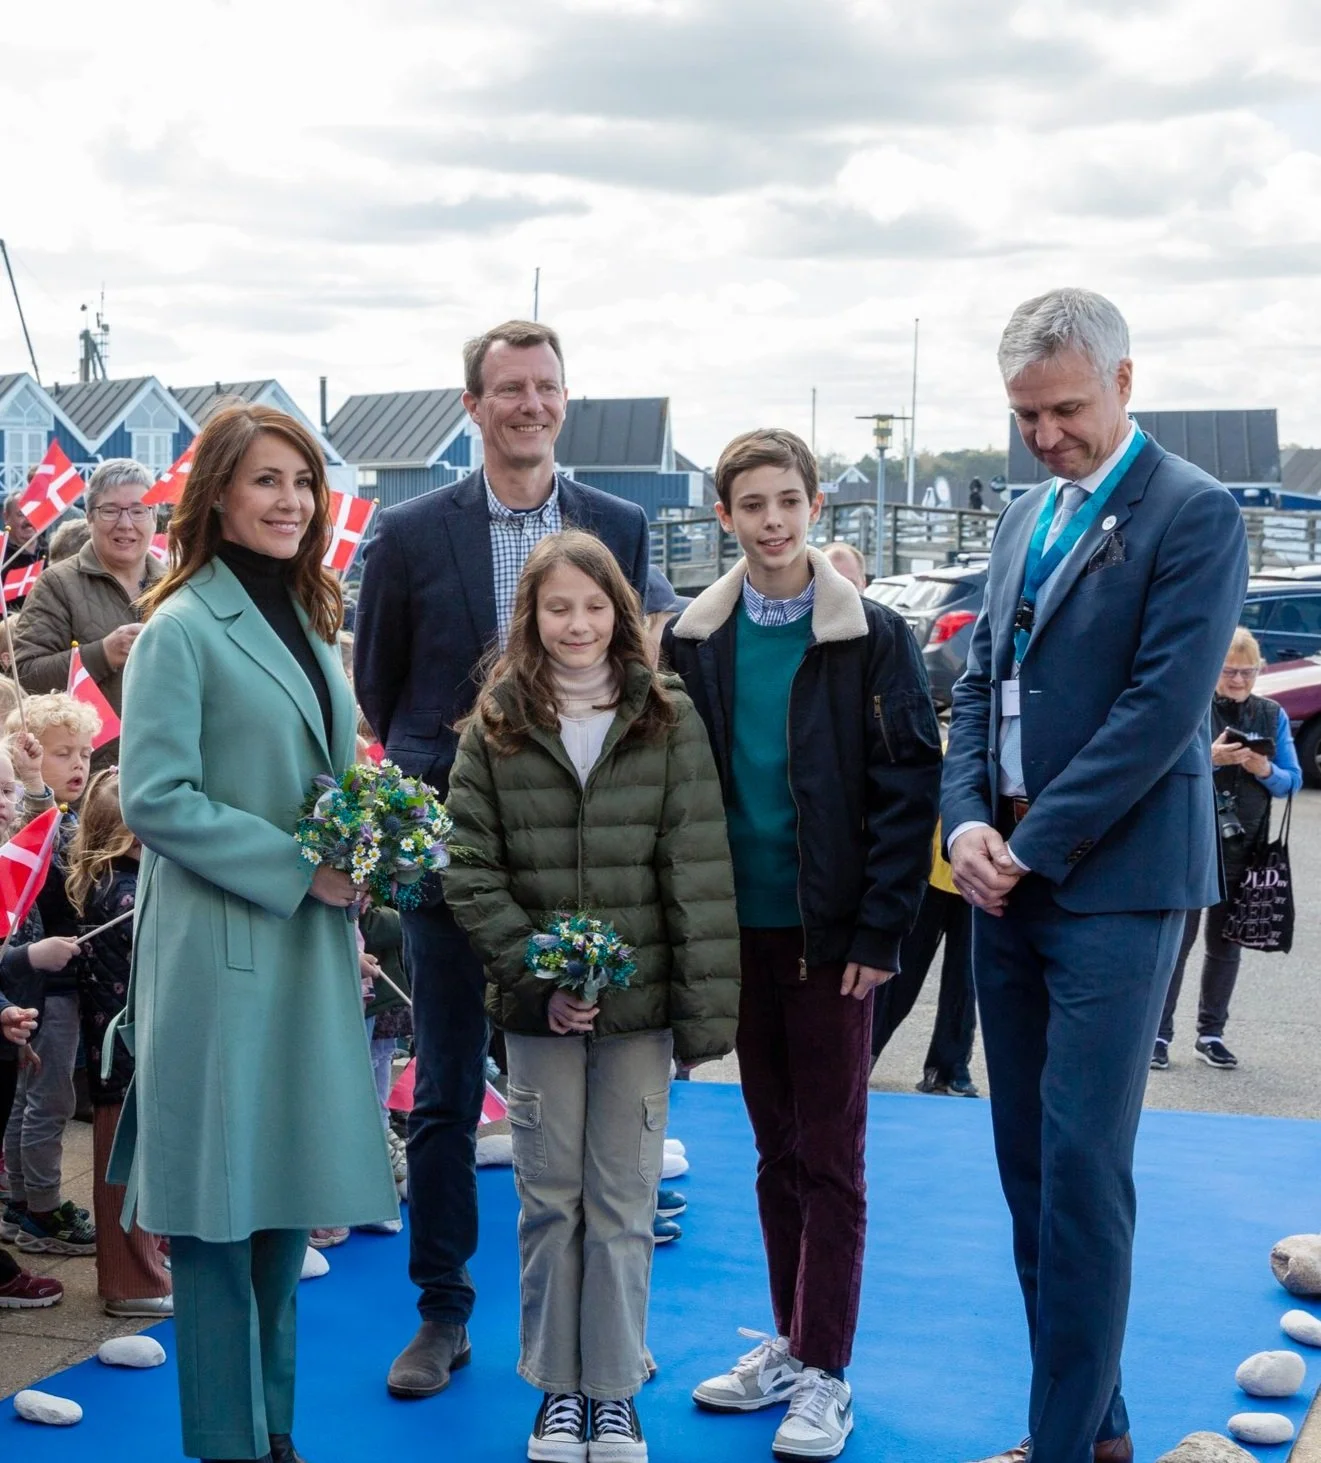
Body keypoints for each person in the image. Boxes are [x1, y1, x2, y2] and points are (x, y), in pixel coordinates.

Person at [941, 288, 1248, 1463]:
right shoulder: (1024, 513)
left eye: (1064, 408)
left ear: (1126, 382)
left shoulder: (1195, 512)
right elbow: (976, 684)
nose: (1044, 433)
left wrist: (1029, 840)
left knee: (1081, 1165)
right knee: (1026, 1164)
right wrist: (965, 820)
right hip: (999, 877)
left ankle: (1058, 1444)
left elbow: (1157, 712)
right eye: (1024, 413)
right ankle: (1096, 1427)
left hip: (1113, 884)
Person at [354, 319, 650, 1400]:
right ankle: (444, 1309)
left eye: (546, 387)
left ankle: (578, 1324)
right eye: (508, 388)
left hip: (576, 864)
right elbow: (380, 690)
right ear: (471, 405)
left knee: (569, 1095)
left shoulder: (616, 523)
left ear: (565, 399)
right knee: (440, 1095)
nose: (530, 404)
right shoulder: (409, 530)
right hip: (450, 863)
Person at [112, 402, 397, 1463]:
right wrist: (302, 868)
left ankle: (277, 1434)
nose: (291, 501)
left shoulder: (310, 618)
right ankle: (228, 1444)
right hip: (222, 951)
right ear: (218, 494)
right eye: (268, 480)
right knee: (218, 1221)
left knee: (282, 1205)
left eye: (303, 482)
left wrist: (371, 843)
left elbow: (323, 773)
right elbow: (155, 796)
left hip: (305, 944)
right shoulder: (182, 625)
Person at [664, 428, 941, 1462]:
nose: (772, 521)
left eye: (788, 501)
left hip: (833, 937)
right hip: (737, 929)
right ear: (725, 515)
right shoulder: (695, 638)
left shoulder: (872, 633)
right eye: (752, 504)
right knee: (774, 1146)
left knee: (833, 1153)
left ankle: (826, 1369)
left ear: (815, 506)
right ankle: (788, 1340)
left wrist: (880, 924)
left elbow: (907, 778)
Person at [444, 529, 739, 1463]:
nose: (577, 623)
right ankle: (554, 1391)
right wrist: (536, 972)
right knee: (548, 1196)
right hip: (537, 1011)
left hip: (641, 1009)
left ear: (620, 611)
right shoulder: (496, 720)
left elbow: (695, 863)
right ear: (530, 618)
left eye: (594, 604)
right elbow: (470, 867)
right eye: (557, 606)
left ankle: (612, 1389)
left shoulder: (665, 713)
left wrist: (696, 1009)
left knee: (622, 1198)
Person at [1154, 626, 1301, 1072]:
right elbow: (1162, 770)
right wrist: (1209, 759)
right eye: (1229, 671)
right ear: (1213, 669)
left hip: (1247, 849)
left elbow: (1291, 781)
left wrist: (1262, 767)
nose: (1238, 680)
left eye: (1248, 672)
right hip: (1194, 843)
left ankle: (1211, 1033)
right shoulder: (1194, 707)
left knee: (1226, 944)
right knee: (1177, 945)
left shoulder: (1271, 713)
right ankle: (1158, 1034)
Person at [65, 767, 173, 1316]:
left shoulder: (106, 880)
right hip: (125, 1057)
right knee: (122, 1174)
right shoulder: (128, 896)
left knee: (138, 1167)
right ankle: (132, 1282)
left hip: (126, 1054)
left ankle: (148, 1261)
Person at [2, 693, 97, 1257]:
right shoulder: (40, 818)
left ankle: (21, 1199)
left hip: (53, 983)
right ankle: (39, 1207)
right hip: (39, 983)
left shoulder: (71, 815)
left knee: (33, 1096)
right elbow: (53, 858)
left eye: (85, 752)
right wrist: (35, 780)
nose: (79, 764)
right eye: (64, 753)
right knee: (49, 1100)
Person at [14, 460, 165, 770]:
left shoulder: (177, 586)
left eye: (139, 510)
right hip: (89, 778)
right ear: (89, 517)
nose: (125, 524)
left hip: (166, 769)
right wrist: (101, 655)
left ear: (154, 517)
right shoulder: (57, 584)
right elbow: (24, 677)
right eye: (110, 510)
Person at [0, 736, 68, 1308]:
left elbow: (51, 836)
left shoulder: (14, 848)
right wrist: (25, 961)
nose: (6, 802)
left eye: (8, 789)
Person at [871, 820, 978, 1096]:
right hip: (926, 862)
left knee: (966, 976)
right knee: (900, 968)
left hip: (980, 867)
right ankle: (864, 1051)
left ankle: (949, 1067)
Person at [3, 491, 46, 609]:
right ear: (6, 517)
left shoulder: (52, 551)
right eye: (21, 514)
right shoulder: (1, 555)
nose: (28, 520)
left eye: (33, 512)